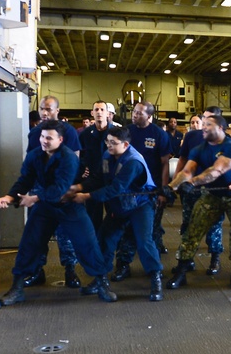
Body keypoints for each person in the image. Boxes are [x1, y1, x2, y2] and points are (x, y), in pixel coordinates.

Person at [0, 120, 117, 305]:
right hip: (45, 206)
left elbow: (60, 189)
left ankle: (102, 283)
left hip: (68, 204)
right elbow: (25, 179)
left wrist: (34, 199)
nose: (44, 141)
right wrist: (10, 197)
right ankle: (17, 287)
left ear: (60, 140)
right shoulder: (35, 155)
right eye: (42, 137)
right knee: (30, 243)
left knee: (87, 243)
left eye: (49, 138)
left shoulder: (69, 158)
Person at [70, 126, 164, 301]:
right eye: (107, 141)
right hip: (119, 206)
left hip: (139, 206)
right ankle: (100, 279)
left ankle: (155, 279)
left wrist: (86, 196)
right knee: (104, 239)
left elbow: (115, 188)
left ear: (126, 144)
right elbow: (99, 178)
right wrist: (79, 186)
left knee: (144, 242)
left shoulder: (133, 162)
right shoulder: (108, 155)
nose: (109, 145)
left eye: (113, 143)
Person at [167, 114, 231, 290]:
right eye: (202, 124)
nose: (203, 127)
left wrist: (193, 183)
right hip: (212, 194)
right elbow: (187, 171)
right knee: (192, 229)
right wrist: (172, 186)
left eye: (208, 124)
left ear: (220, 128)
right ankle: (181, 272)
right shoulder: (199, 148)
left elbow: (216, 170)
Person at [23, 95, 82, 289]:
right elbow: (31, 162)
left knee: (65, 232)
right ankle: (37, 270)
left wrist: (68, 188)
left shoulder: (69, 132)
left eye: (49, 109)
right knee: (38, 232)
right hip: (39, 189)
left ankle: (70, 271)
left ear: (57, 111)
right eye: (42, 108)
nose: (44, 112)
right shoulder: (34, 133)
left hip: (62, 189)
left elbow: (75, 161)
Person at [109, 102, 172, 281]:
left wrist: (163, 191)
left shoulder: (159, 134)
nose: (135, 115)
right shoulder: (127, 131)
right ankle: (123, 265)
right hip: (126, 190)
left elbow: (164, 164)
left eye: (139, 113)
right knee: (125, 231)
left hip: (149, 192)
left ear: (149, 116)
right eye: (134, 112)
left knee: (147, 234)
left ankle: (153, 271)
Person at [176, 107, 225, 274]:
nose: (205, 123)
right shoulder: (192, 136)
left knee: (214, 226)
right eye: (203, 118)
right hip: (192, 189)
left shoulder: (225, 140)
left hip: (214, 189)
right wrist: (175, 184)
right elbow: (183, 161)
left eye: (210, 119)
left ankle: (215, 259)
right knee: (188, 224)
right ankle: (186, 259)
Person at [78, 100, 114, 231]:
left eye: (102, 110)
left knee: (114, 214)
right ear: (92, 113)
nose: (99, 112)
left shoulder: (115, 133)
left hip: (111, 179)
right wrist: (83, 169)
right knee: (93, 216)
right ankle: (95, 245)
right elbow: (80, 155)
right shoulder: (85, 134)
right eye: (96, 110)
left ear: (108, 113)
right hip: (92, 180)